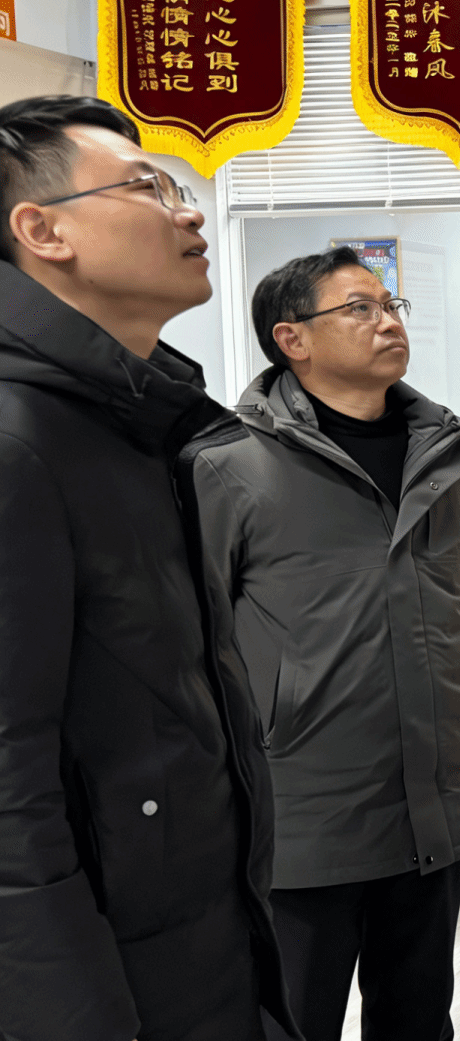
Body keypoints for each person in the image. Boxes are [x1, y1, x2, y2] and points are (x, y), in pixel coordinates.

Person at [0, 95, 293, 1040]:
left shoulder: (132, 419)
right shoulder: (20, 441)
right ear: (42, 231)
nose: (190, 210)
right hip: (109, 982)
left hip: (195, 941)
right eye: (149, 188)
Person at [190, 246, 460, 1041]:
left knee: (419, 1019)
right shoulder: (227, 465)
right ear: (291, 339)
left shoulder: (446, 457)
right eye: (359, 308)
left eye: (391, 304)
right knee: (295, 1022)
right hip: (304, 816)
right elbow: (196, 636)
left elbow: (455, 591)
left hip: (435, 797)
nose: (387, 321)